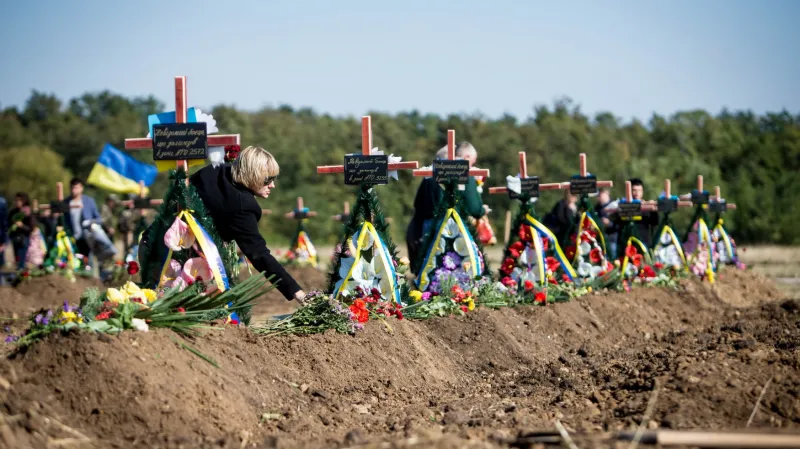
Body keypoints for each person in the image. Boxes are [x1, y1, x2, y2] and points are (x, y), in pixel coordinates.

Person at [190, 146, 308, 303]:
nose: (272, 185)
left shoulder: (216, 170)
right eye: (268, 180)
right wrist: (297, 293)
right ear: (253, 175)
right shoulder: (243, 206)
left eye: (274, 179)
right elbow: (258, 254)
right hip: (190, 258)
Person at [405, 142, 487, 274]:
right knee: (458, 269)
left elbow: (417, 205)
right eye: (472, 161)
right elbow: (475, 208)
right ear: (466, 157)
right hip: (456, 226)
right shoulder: (464, 173)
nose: (472, 165)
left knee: (430, 268)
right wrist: (482, 210)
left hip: (428, 226)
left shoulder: (429, 175)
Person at [613, 178, 659, 248]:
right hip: (626, 243)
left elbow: (655, 223)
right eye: (634, 190)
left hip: (643, 243)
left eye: (639, 190)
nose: (637, 193)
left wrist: (654, 211)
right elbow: (617, 222)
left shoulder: (647, 207)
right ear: (629, 191)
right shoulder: (622, 206)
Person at [594, 188, 619, 259]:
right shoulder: (596, 208)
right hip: (599, 240)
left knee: (611, 260)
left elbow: (618, 224)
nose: (598, 196)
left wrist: (609, 223)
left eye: (600, 194)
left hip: (611, 239)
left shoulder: (615, 206)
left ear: (607, 194)